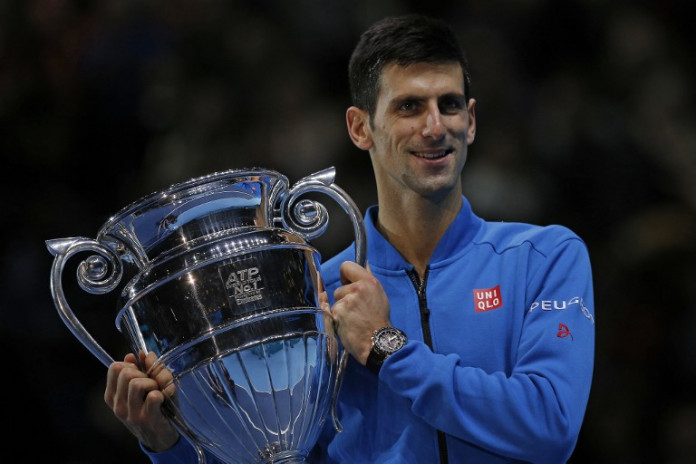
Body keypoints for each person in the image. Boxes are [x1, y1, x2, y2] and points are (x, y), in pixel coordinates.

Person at [105, 13, 595, 464]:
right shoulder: (312, 292)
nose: (434, 126)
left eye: (448, 105)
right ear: (361, 128)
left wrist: (386, 348)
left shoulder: (543, 257)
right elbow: (280, 451)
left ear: (470, 121)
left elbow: (550, 425)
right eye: (409, 106)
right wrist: (164, 443)